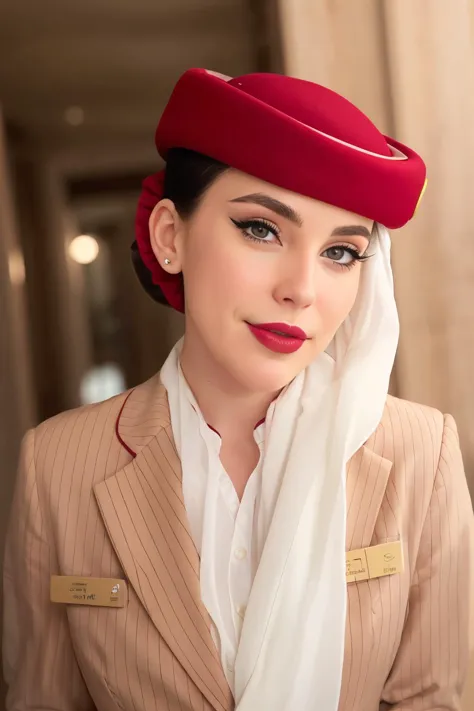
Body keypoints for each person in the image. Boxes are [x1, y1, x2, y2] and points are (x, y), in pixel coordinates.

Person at [3, 68, 473, 711]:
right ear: (171, 237)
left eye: (341, 252)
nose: (301, 289)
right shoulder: (56, 466)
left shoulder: (423, 454)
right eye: (261, 229)